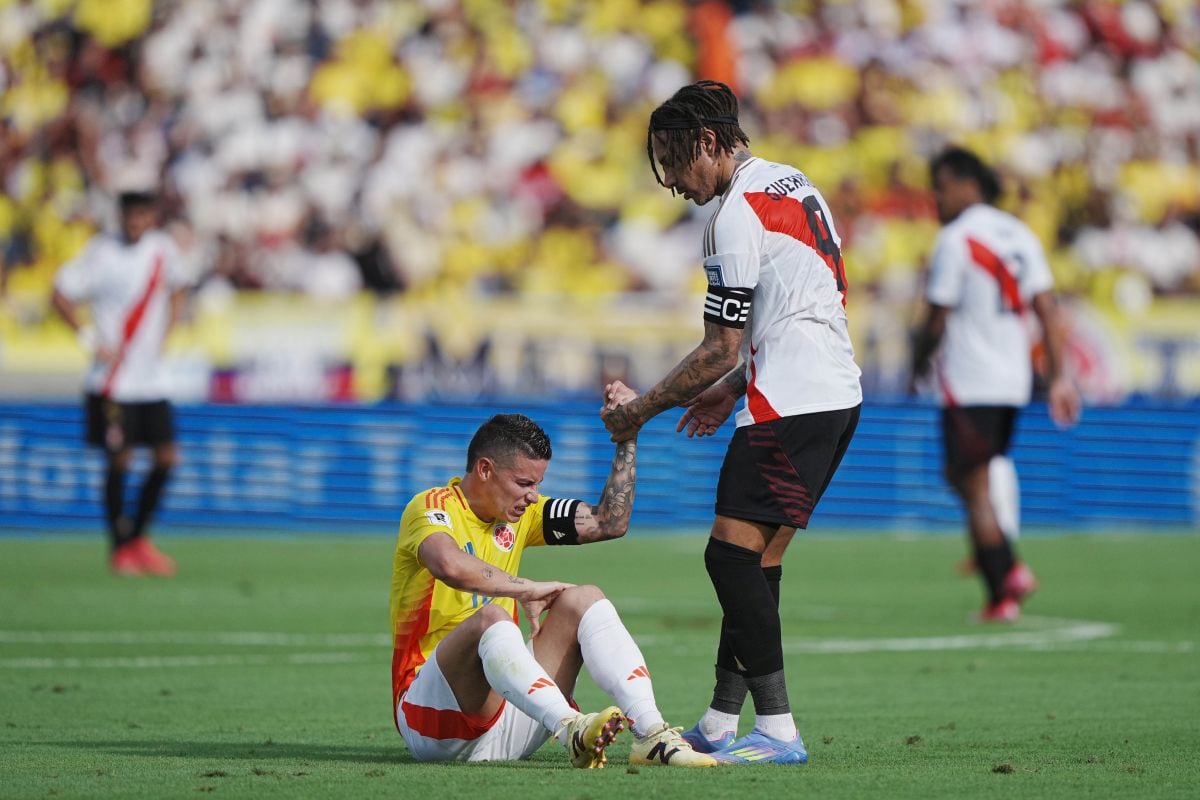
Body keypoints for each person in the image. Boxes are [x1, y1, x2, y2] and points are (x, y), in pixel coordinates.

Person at [600, 80, 863, 765]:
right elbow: (808, 303)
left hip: (793, 400)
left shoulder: (731, 215)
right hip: (831, 394)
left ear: (709, 143)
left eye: (674, 159)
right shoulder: (791, 181)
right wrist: (734, 385)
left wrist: (640, 411)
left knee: (728, 556)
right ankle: (721, 721)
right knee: (757, 559)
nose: (670, 180)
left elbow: (718, 343)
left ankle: (777, 729)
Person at [389, 407, 715, 768]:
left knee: (583, 598)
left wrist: (627, 437)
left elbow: (609, 522)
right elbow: (449, 564)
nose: (533, 496)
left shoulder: (522, 514)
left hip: (510, 721)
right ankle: (571, 727)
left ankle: (653, 735)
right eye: (524, 483)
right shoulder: (432, 507)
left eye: (538, 485)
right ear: (485, 469)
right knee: (492, 618)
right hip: (432, 722)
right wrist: (525, 588)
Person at [910, 146, 1081, 622]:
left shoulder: (957, 238)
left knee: (975, 484)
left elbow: (937, 314)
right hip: (1013, 380)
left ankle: (1006, 578)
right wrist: (1060, 375)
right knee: (969, 477)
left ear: (969, 185)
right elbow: (1048, 309)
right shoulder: (1020, 233)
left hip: (970, 378)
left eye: (940, 187)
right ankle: (1002, 578)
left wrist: (916, 362)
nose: (935, 198)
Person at [52, 189, 190, 577]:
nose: (136, 222)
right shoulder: (101, 252)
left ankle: (139, 539)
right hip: (112, 381)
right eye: (130, 215)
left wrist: (170, 329)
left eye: (143, 215)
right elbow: (59, 294)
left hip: (152, 378)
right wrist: (88, 340)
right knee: (121, 458)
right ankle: (119, 547)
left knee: (166, 458)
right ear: (121, 216)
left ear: (152, 217)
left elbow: (179, 286)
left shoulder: (164, 248)